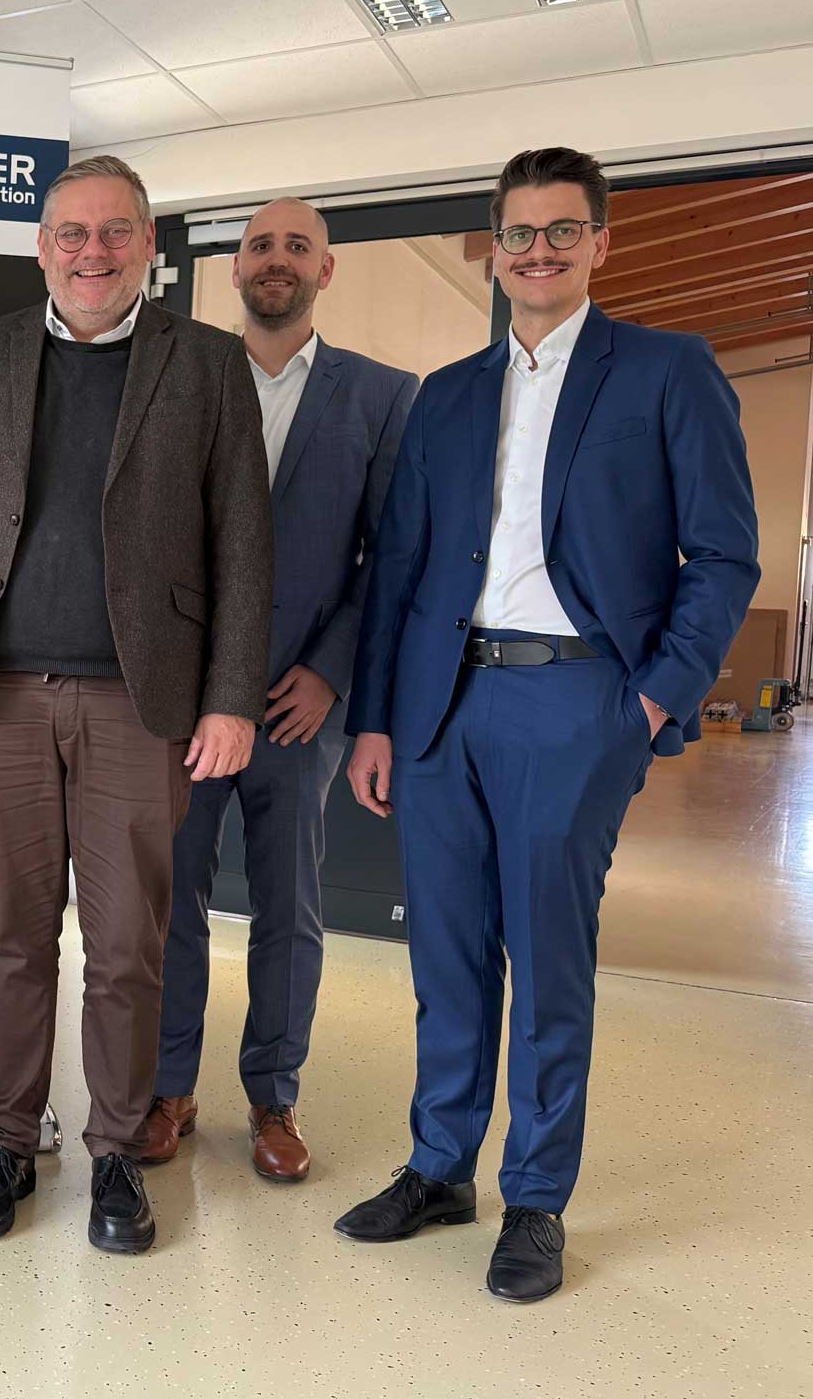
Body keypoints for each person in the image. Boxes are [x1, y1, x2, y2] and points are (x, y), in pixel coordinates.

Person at [336, 147, 759, 1303]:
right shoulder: (447, 392)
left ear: (600, 242)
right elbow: (400, 565)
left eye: (563, 230)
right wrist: (375, 721)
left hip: (577, 699)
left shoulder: (668, 370)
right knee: (446, 951)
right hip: (441, 701)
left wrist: (654, 698)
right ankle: (439, 1165)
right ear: (495, 246)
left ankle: (535, 1196)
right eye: (518, 232)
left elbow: (725, 555)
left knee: (548, 955)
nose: (538, 250)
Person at [0, 155, 271, 1256]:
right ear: (42, 248)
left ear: (148, 245)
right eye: (72, 232)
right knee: (11, 938)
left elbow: (244, 541)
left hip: (140, 704)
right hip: (1, 699)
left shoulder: (207, 364)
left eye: (116, 232)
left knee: (125, 945)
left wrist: (231, 697)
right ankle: (7, 1141)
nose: (93, 252)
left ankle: (116, 1147)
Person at [147, 198, 415, 1182]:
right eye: (260, 244)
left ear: (324, 271)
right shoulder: (179, 378)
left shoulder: (382, 396)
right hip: (185, 702)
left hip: (300, 705)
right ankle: (168, 1086)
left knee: (289, 908)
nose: (277, 258)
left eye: (298, 246)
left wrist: (332, 671)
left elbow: (390, 556)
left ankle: (274, 1095)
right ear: (235, 267)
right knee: (170, 900)